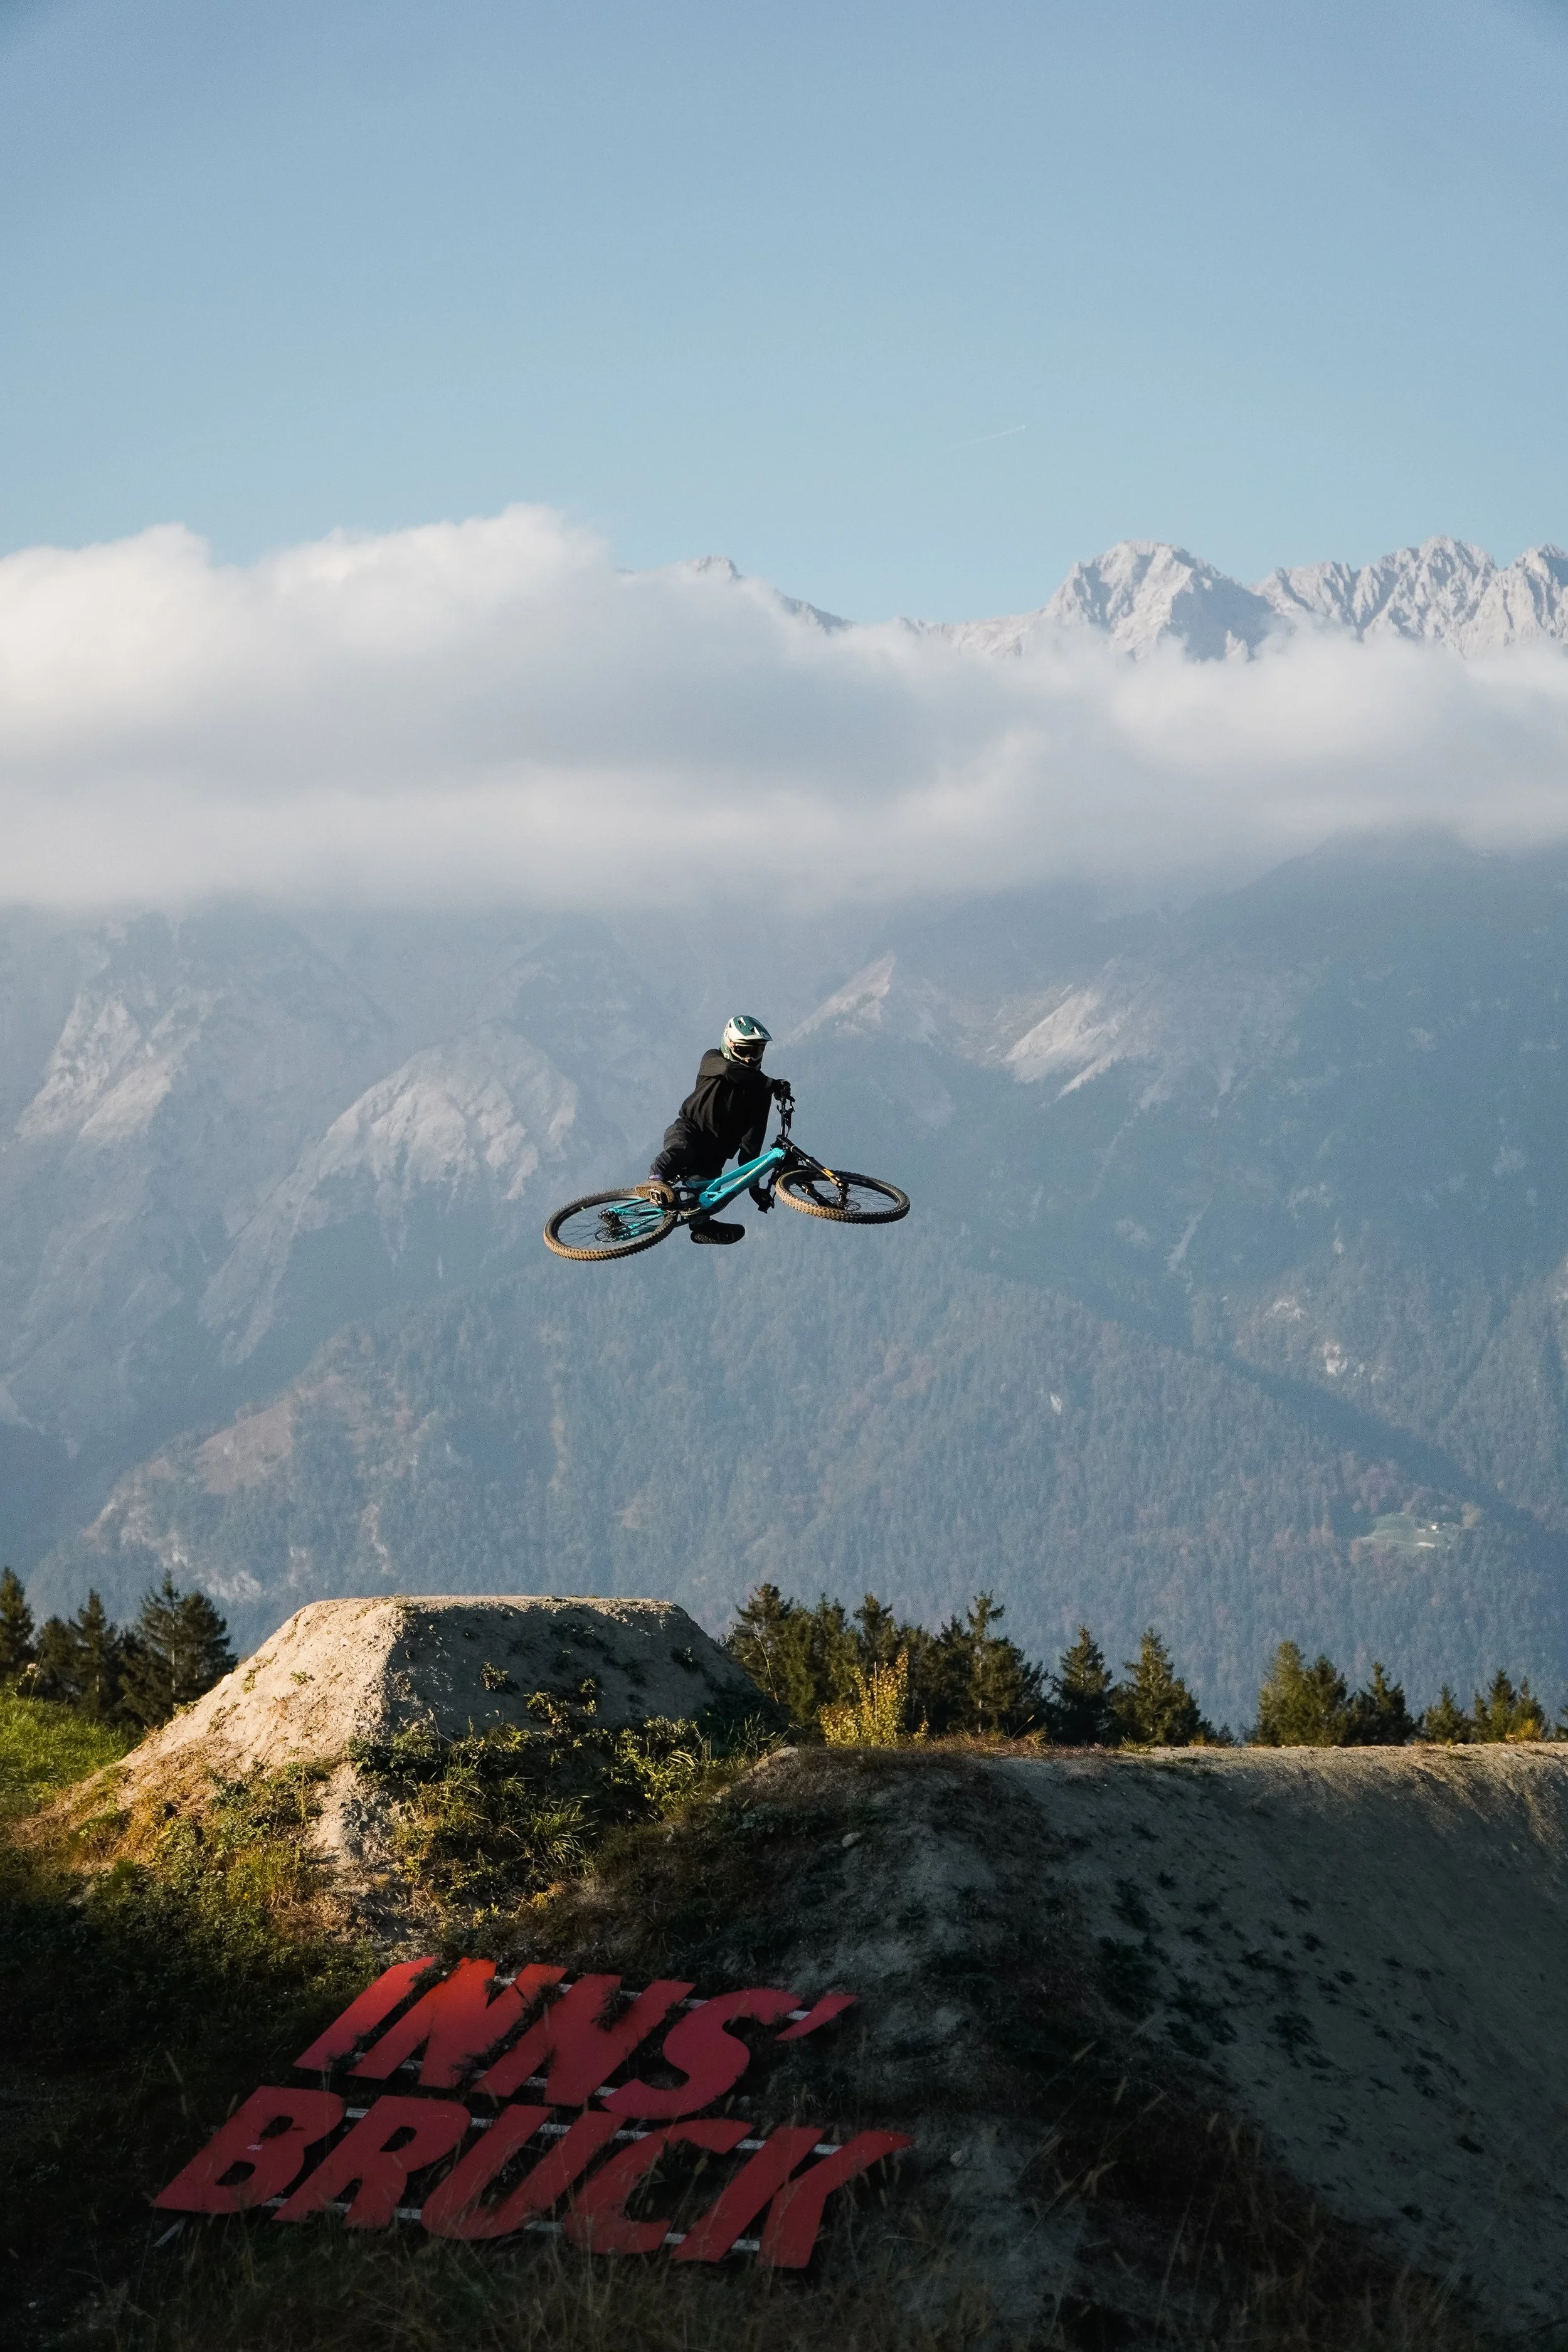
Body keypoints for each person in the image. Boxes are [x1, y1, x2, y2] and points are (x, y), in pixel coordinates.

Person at [645, 1015, 790, 1244]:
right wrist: (771, 1085)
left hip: (714, 1156)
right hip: (689, 1131)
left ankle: (701, 1228)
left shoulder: (760, 1094)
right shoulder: (713, 1060)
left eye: (757, 1051)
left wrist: (754, 1189)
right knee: (681, 1150)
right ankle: (655, 1180)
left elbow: (750, 1150)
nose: (751, 1058)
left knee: (715, 1198)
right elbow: (729, 1071)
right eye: (745, 1050)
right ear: (730, 1045)